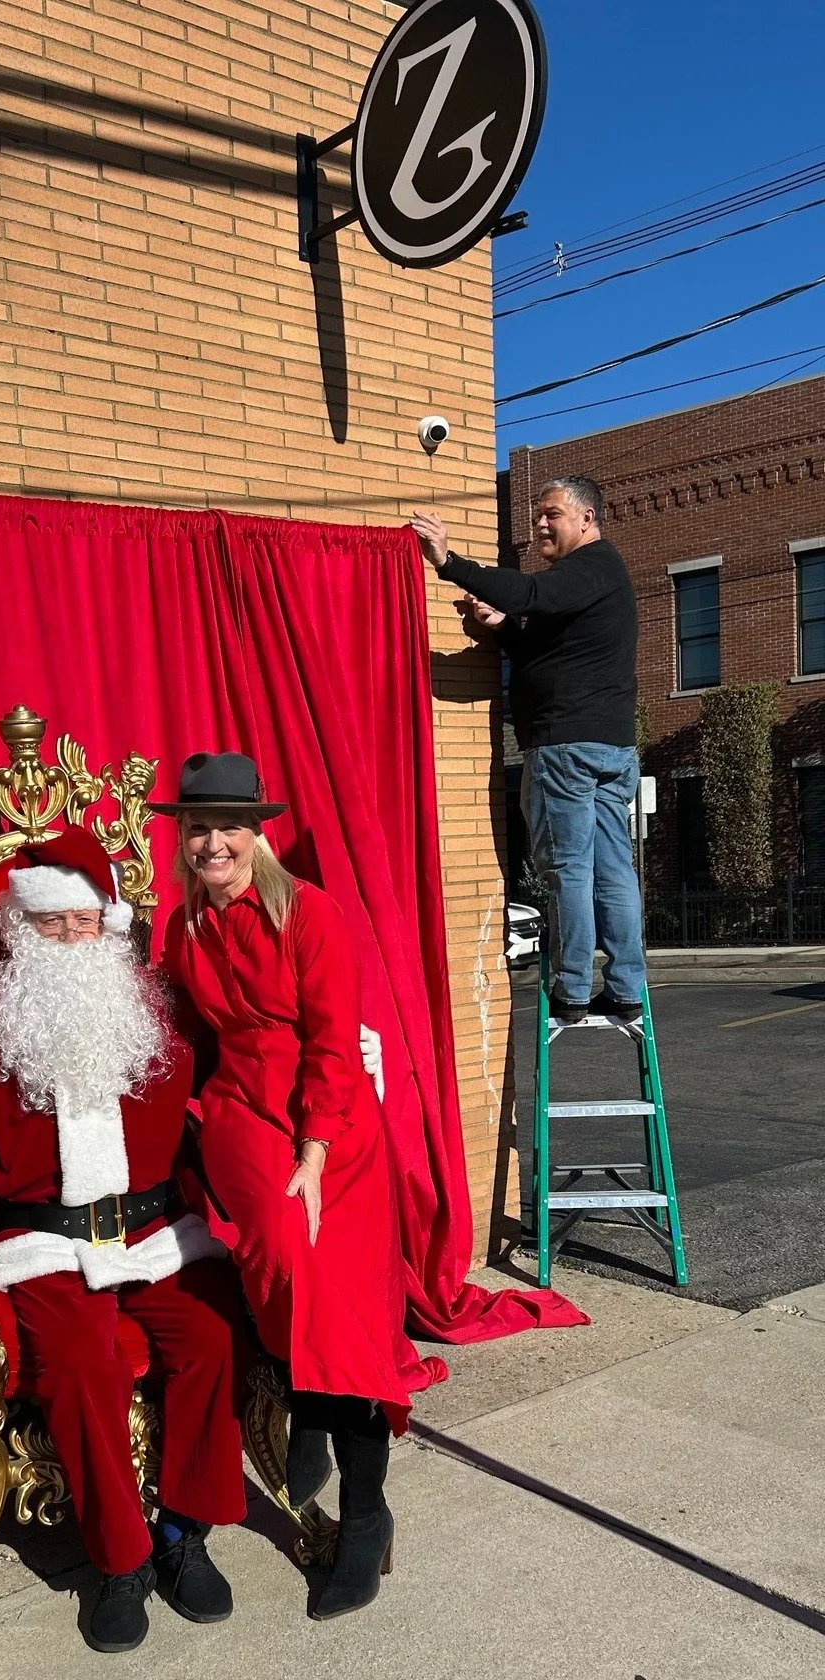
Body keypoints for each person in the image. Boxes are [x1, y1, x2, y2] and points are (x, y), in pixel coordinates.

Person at [0, 825, 249, 1656]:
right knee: (83, 1362)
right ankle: (120, 1561)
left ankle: (182, 1534)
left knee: (213, 1336)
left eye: (86, 923)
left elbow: (244, 1055)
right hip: (40, 1245)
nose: (73, 939)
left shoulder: (156, 1007)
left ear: (110, 925)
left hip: (154, 1234)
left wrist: (324, 1064)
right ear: (22, 927)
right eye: (54, 925)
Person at [156, 752, 421, 1622]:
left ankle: (367, 1513)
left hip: (328, 1127)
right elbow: (189, 1037)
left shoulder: (310, 913)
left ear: (257, 832)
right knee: (281, 1277)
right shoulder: (182, 927)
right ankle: (303, 1400)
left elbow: (333, 1043)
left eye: (229, 827)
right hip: (241, 1119)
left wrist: (313, 1151)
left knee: (343, 1324)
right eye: (199, 829)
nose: (213, 842)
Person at [411, 480, 646, 1024]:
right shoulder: (596, 581)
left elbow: (531, 596)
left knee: (569, 869)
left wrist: (449, 561)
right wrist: (500, 627)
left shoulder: (588, 567)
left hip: (566, 747)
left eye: (551, 515)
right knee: (611, 868)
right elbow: (543, 637)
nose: (540, 524)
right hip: (610, 747)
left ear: (586, 519)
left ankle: (571, 990)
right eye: (538, 515)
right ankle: (628, 989)